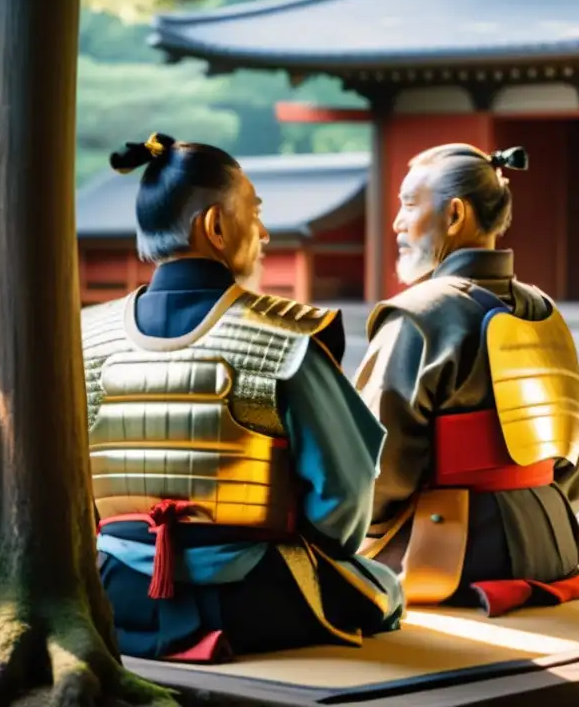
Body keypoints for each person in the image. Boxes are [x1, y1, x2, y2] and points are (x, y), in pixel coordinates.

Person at [82, 133, 403, 663]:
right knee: (384, 589)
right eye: (254, 213)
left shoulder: (86, 338)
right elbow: (342, 500)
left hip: (114, 593)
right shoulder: (282, 338)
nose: (264, 232)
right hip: (251, 595)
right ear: (215, 226)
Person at [353, 142, 579, 617]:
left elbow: (375, 462)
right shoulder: (544, 309)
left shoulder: (422, 315)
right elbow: (569, 460)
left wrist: (352, 525)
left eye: (409, 205)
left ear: (454, 215)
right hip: (555, 544)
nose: (396, 222)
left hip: (451, 553)